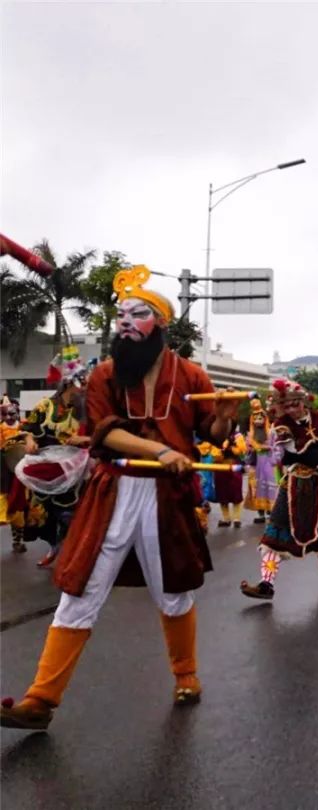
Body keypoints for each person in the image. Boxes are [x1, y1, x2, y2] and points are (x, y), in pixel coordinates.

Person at [1, 265, 239, 730]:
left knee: (173, 591)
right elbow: (106, 433)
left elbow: (211, 431)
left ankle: (186, 676)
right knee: (80, 591)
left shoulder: (192, 374)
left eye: (139, 313)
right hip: (112, 493)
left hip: (166, 499)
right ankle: (41, 700)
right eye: (121, 315)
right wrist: (161, 449)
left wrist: (226, 419)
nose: (126, 322)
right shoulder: (105, 375)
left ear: (161, 324)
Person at [239, 379, 318, 600]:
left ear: (304, 402)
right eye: (287, 405)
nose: (292, 409)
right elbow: (297, 452)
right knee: (275, 530)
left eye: (295, 404)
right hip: (294, 482)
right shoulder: (281, 427)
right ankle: (267, 584)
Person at [19, 347, 92, 567]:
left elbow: (101, 435)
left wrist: (84, 440)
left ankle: (74, 555)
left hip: (74, 470)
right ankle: (54, 546)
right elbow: (28, 428)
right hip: (45, 468)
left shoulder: (86, 410)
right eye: (80, 388)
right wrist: (30, 440)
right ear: (68, 386)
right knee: (42, 515)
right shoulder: (45, 405)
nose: (82, 392)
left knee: (70, 514)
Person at [0, 395, 29, 553]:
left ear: (18, 412)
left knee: (23, 505)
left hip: (24, 470)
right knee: (11, 504)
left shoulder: (24, 428)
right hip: (6, 473)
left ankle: (19, 539)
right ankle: (16, 540)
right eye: (5, 414)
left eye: (12, 413)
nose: (9, 417)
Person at [244, 398, 278, 524]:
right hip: (255, 464)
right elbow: (247, 449)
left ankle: (270, 511)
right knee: (256, 487)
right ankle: (261, 513)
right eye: (255, 418)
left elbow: (277, 447)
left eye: (260, 418)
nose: (258, 420)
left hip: (269, 464)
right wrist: (252, 446)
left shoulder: (271, 433)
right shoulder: (250, 436)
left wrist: (269, 447)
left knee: (269, 487)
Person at [211, 429, 246, 527]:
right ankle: (226, 518)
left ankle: (236, 519)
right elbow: (214, 453)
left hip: (233, 464)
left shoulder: (237, 435)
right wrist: (221, 449)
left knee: (236, 492)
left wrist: (230, 447)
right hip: (220, 466)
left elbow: (242, 449)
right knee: (222, 493)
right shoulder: (215, 435)